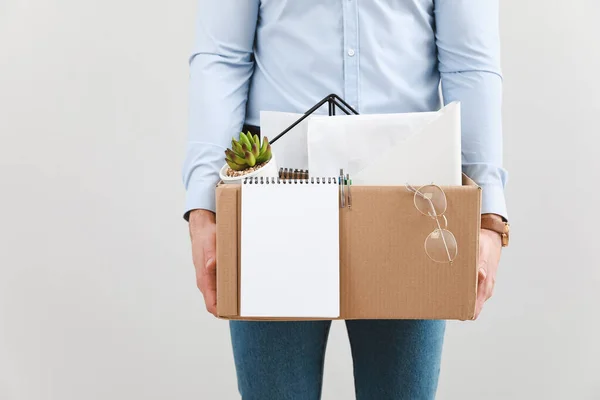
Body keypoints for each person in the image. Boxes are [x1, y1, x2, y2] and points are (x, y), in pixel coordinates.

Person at [182, 1, 510, 398]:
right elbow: (220, 57)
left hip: (410, 188)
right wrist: (204, 209)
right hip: (275, 190)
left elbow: (470, 64)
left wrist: (488, 218)